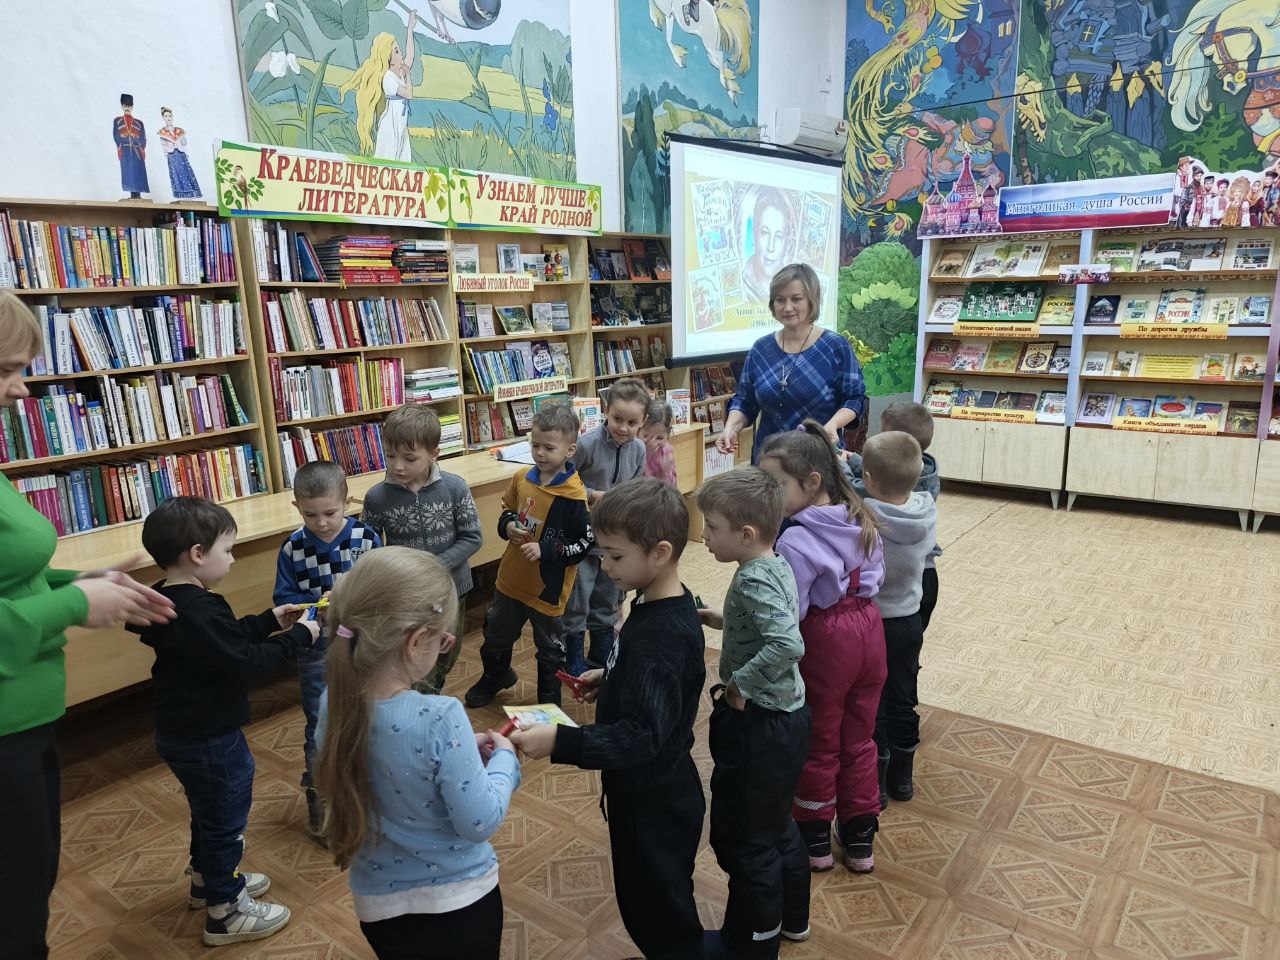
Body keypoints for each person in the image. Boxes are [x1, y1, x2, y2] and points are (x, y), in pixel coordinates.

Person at [0, 289, 176, 958]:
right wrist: (77, 605)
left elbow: (10, 579)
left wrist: (79, 580)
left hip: (25, 720)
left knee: (27, 891)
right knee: (14, 915)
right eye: (6, 370)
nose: (22, 390)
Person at [510, 478, 705, 960]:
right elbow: (652, 687)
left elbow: (642, 737)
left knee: (657, 911)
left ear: (660, 553)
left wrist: (561, 742)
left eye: (615, 556)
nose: (605, 565)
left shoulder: (661, 635)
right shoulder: (656, 600)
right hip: (645, 793)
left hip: (654, 803)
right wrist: (612, 677)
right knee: (645, 901)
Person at [316, 548, 518, 960]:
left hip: (378, 909)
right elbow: (479, 821)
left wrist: (459, 752)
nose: (445, 647)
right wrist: (505, 761)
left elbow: (391, 761)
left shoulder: (330, 702)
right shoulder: (440, 716)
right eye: (444, 641)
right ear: (415, 642)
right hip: (460, 904)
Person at [134, 496, 319, 946]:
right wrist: (300, 636)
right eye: (228, 550)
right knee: (225, 819)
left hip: (183, 731)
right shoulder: (201, 609)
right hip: (209, 736)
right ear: (198, 554)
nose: (233, 559)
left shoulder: (170, 600)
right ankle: (226, 910)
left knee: (208, 811)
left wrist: (268, 621)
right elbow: (246, 662)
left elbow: (221, 644)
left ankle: (207, 880)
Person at [760, 422, 886, 873]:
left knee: (820, 739)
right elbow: (879, 577)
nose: (768, 496)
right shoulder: (861, 516)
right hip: (870, 631)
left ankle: (814, 838)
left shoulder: (794, 538)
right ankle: (860, 837)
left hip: (826, 640)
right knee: (860, 738)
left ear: (812, 482)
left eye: (776, 485)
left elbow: (790, 611)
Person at [696, 467, 811, 959]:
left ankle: (751, 943)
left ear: (746, 534)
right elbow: (772, 621)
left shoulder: (753, 577)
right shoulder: (773, 562)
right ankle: (793, 919)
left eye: (712, 527)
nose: (704, 536)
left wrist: (740, 684)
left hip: (762, 723)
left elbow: (788, 643)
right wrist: (723, 619)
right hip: (788, 720)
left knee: (748, 840)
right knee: (776, 824)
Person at [273, 462, 381, 844]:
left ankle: (364, 792)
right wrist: (310, 608)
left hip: (361, 645)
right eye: (310, 514)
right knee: (319, 722)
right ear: (297, 507)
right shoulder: (292, 547)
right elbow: (284, 598)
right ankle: (319, 795)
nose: (321, 523)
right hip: (316, 647)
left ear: (347, 502)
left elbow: (380, 588)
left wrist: (352, 601)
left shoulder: (366, 538)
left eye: (330, 513)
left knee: (367, 714)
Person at [464, 402, 593, 708]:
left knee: (550, 649)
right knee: (495, 635)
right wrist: (508, 526)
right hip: (510, 582)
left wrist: (545, 549)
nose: (540, 453)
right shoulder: (522, 477)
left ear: (570, 450)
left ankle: (548, 698)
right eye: (535, 445)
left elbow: (583, 544)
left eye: (549, 447)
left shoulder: (574, 497)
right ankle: (496, 675)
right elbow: (507, 509)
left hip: (547, 593)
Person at [361, 404, 481, 694]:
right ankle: (417, 700)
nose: (398, 466)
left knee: (446, 651)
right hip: (408, 596)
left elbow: (473, 537)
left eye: (410, 458)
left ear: (433, 453)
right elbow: (369, 547)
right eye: (391, 456)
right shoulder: (376, 497)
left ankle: (432, 692)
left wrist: (433, 566)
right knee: (411, 654)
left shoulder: (455, 488)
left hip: (452, 589)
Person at [718, 263, 866, 463]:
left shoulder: (835, 346)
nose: (787, 307)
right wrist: (730, 428)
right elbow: (745, 400)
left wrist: (833, 424)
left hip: (819, 459)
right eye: (780, 300)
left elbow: (855, 398)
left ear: (812, 301)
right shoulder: (760, 349)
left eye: (796, 299)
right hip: (769, 461)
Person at [860, 432, 938, 807]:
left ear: (868, 478)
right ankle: (902, 780)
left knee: (871, 701)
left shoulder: (863, 515)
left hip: (873, 622)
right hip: (909, 620)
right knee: (903, 696)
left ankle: (875, 785)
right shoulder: (926, 510)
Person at [562, 378, 647, 675]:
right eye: (617, 419)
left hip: (615, 541)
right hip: (582, 539)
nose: (623, 427)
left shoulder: (639, 450)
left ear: (643, 422)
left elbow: (636, 488)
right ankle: (572, 657)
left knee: (608, 599)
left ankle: (601, 654)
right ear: (606, 412)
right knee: (578, 600)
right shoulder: (586, 445)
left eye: (632, 422)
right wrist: (592, 495)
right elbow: (564, 480)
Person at [844, 402, 942, 631]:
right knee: (911, 640)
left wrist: (843, 465)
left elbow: (852, 485)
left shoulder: (875, 498)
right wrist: (857, 460)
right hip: (922, 576)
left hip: (888, 595)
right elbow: (879, 472)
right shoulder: (925, 476)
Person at [338, 9, 418, 161]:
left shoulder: (399, 72)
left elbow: (410, 56)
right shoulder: (388, 78)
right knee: (387, 159)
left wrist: (410, 29)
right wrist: (408, 76)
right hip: (391, 125)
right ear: (388, 58)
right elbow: (409, 94)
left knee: (402, 160)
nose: (400, 53)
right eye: (396, 51)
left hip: (400, 124)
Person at [740, 187, 794, 304]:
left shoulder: (796, 289)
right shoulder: (738, 287)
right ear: (754, 236)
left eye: (779, 236)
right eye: (765, 233)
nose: (771, 247)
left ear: (787, 244)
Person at [158, 106, 202, 200]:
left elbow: (184, 142)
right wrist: (166, 153)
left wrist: (186, 152)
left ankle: (192, 192)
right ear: (163, 118)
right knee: (176, 173)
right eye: (166, 116)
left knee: (186, 171)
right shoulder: (162, 132)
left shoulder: (179, 130)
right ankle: (181, 194)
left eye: (169, 116)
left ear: (172, 116)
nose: (168, 118)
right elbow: (164, 144)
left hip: (181, 153)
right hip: (172, 155)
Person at [112, 93, 149, 198]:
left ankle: (138, 195)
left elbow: (143, 137)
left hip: (137, 151)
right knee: (128, 173)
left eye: (129, 106)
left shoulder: (139, 123)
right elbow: (116, 135)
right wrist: (122, 144)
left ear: (132, 107)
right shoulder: (117, 121)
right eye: (125, 106)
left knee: (138, 173)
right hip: (125, 151)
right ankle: (133, 195)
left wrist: (140, 146)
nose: (127, 108)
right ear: (122, 106)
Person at [639, 396, 677, 486]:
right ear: (638, 429)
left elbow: (672, 487)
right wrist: (647, 454)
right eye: (646, 436)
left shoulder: (666, 451)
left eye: (659, 438)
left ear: (667, 435)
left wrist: (664, 473)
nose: (653, 442)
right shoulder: (633, 448)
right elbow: (635, 482)